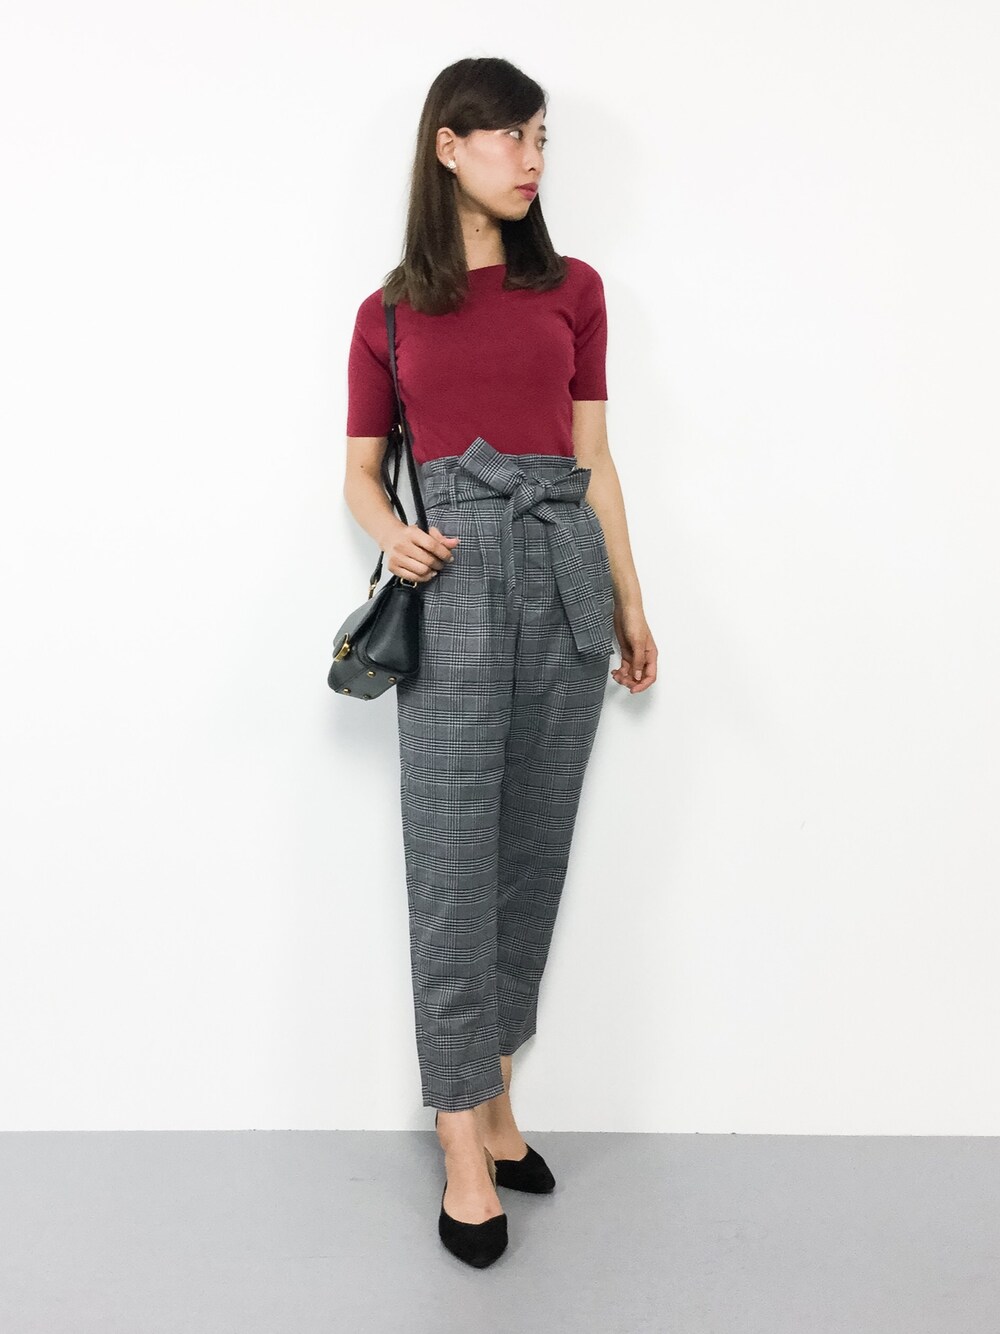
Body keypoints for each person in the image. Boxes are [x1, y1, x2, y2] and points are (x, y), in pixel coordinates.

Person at [342, 56, 657, 1267]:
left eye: (541, 139)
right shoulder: (386, 312)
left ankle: (498, 1094)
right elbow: (358, 475)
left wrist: (629, 599)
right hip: (457, 579)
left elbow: (595, 458)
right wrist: (392, 534)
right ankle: (457, 1131)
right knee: (451, 859)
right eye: (510, 136)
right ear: (448, 146)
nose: (531, 159)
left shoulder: (573, 290)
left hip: (564, 569)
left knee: (530, 851)